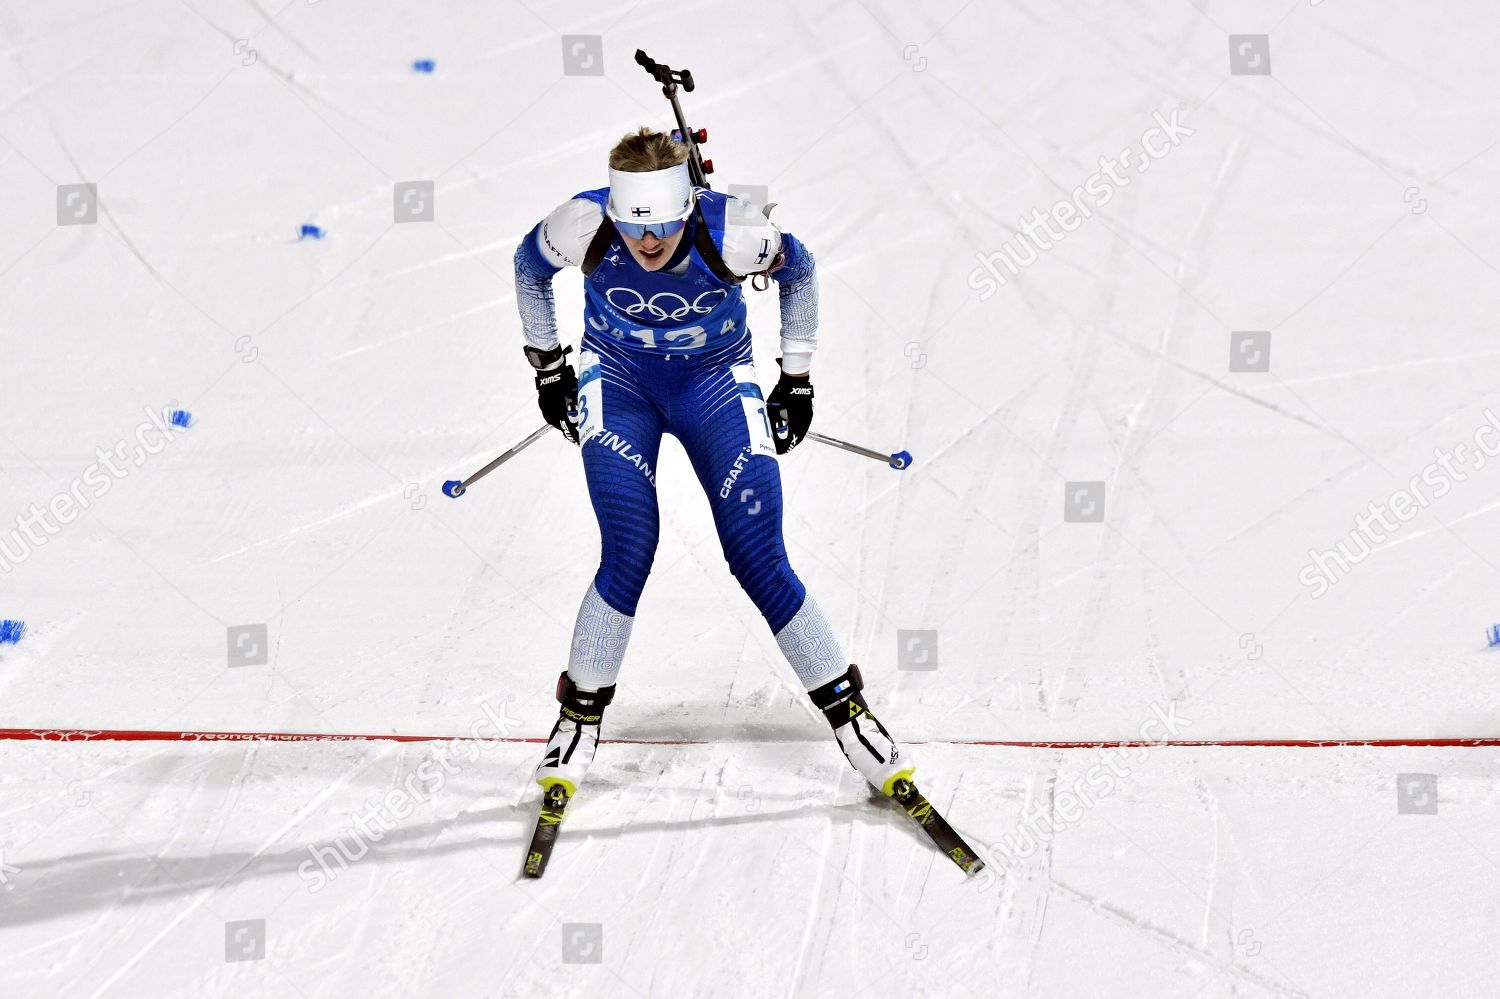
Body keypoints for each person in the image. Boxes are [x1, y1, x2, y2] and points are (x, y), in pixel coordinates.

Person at [512, 127, 912, 802]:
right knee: (629, 546)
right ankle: (578, 719)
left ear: (684, 207)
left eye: (663, 227)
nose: (647, 244)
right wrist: (547, 364)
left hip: (715, 384)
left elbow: (801, 268)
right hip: (620, 383)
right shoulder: (582, 221)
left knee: (758, 554)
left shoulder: (733, 228)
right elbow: (529, 268)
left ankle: (851, 718)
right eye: (634, 229)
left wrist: (797, 378)